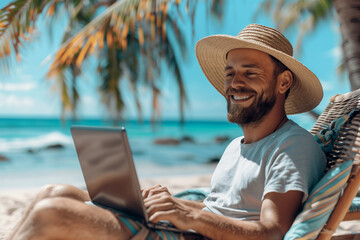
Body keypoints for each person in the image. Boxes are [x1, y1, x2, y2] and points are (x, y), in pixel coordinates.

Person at [10, 24, 326, 240]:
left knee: (50, 214)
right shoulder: (236, 146)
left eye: (250, 73)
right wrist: (172, 205)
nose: (234, 84)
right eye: (230, 74)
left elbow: (273, 232)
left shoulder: (292, 145)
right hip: (184, 229)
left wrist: (190, 218)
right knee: (52, 192)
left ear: (283, 82)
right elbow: (221, 208)